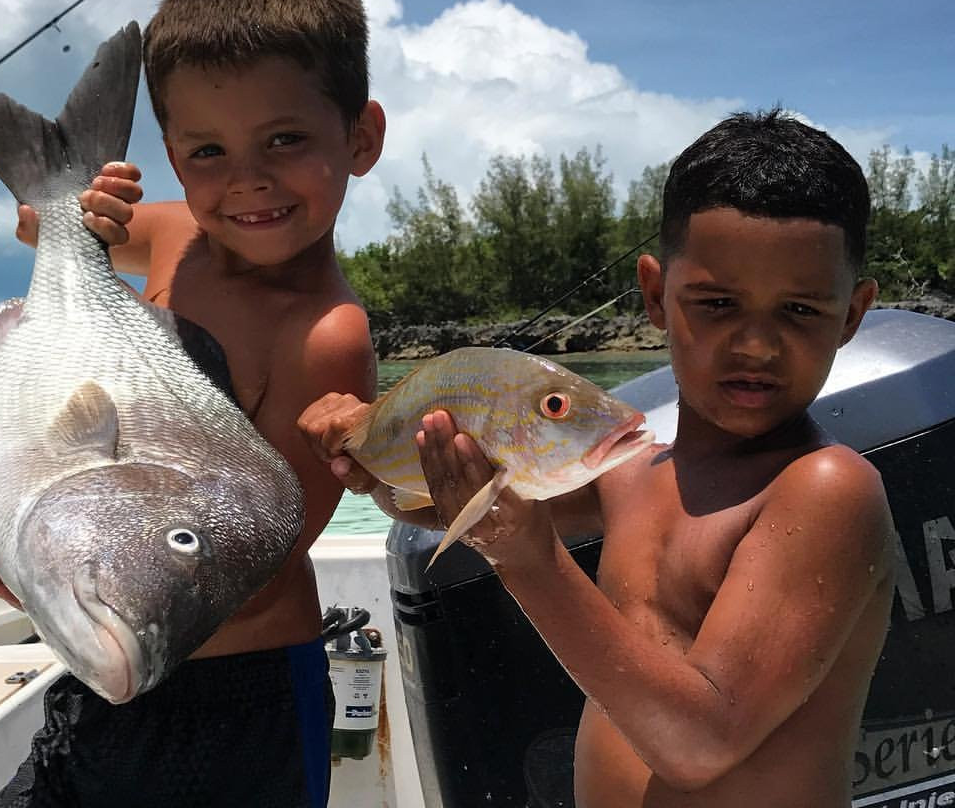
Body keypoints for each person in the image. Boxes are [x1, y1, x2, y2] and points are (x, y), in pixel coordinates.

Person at [300, 109, 896, 807]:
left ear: (852, 315)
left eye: (799, 311)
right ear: (654, 294)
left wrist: (524, 556)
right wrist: (375, 459)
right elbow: (447, 509)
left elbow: (700, 743)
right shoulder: (634, 475)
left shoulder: (826, 491)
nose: (756, 345)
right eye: (717, 303)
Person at [0, 1, 384, 805]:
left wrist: (44, 575)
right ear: (172, 157)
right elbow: (35, 223)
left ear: (360, 137)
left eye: (285, 139)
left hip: (240, 704)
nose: (247, 179)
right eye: (208, 151)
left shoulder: (323, 333)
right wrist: (83, 200)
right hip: (107, 657)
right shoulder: (169, 234)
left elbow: (254, 564)